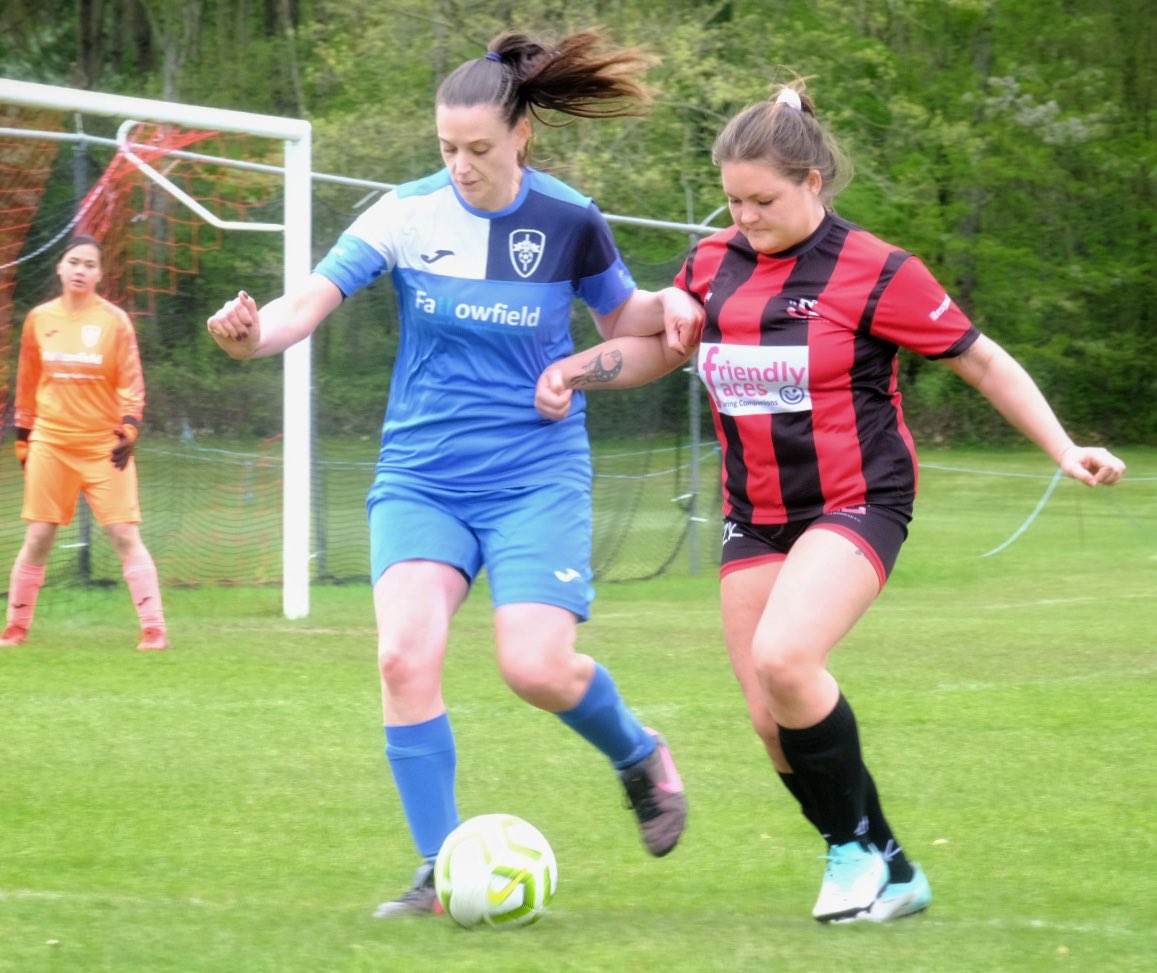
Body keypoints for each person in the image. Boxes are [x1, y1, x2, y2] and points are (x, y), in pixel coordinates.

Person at [535, 78, 1126, 924]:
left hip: (857, 501)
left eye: (762, 199)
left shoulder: (877, 270)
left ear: (812, 182)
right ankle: (888, 865)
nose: (743, 215)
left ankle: (852, 855)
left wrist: (1064, 447)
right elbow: (651, 352)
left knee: (785, 657)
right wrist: (572, 374)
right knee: (768, 717)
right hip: (753, 512)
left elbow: (982, 360)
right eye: (731, 200)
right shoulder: (709, 265)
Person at [206, 29, 700, 918]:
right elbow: (303, 308)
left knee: (535, 667)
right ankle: (439, 870)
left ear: (520, 138)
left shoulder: (568, 220)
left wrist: (614, 346)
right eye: (446, 148)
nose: (461, 166)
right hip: (423, 477)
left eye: (477, 149)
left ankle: (638, 754)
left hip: (534, 477)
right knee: (402, 655)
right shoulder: (402, 212)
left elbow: (634, 329)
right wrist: (251, 336)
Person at [2, 235, 170, 651]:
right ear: (60, 267)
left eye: (89, 264)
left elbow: (132, 384)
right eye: (73, 262)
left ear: (99, 274)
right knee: (39, 537)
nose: (80, 270)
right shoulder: (39, 319)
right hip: (51, 444)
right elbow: (26, 384)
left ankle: (154, 630)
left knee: (123, 535)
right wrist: (24, 439)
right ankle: (16, 628)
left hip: (102, 446)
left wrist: (128, 429)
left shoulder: (114, 321)